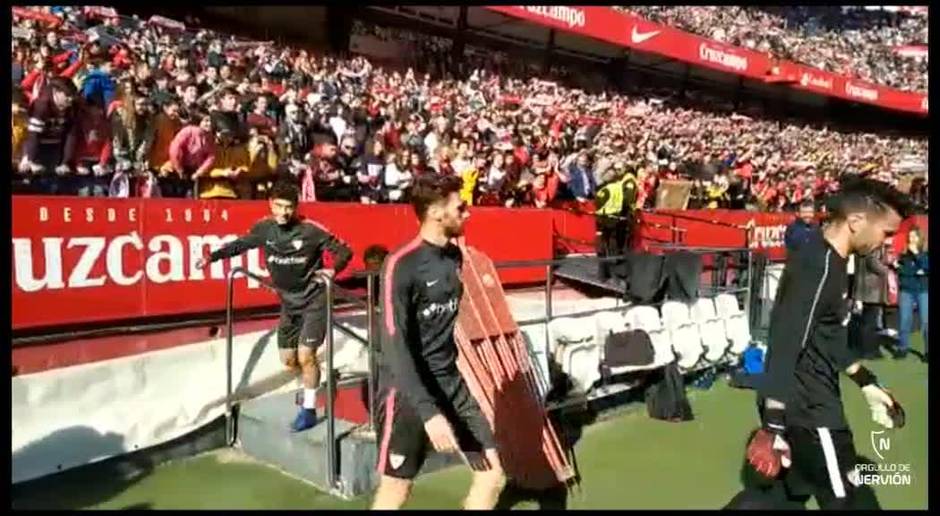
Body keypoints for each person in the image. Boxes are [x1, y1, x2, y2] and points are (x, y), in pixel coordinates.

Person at [739, 178, 911, 510]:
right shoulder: (820, 264)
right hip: (811, 412)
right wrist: (773, 425)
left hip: (806, 403)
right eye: (886, 233)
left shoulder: (828, 260)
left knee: (788, 496)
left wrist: (866, 382)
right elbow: (787, 337)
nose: (886, 243)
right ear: (856, 222)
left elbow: (827, 338)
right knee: (843, 501)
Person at [372, 174, 506, 510]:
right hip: (407, 393)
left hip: (451, 385)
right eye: (460, 206)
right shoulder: (401, 265)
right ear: (434, 212)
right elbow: (394, 344)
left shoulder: (454, 257)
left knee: (492, 475)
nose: (468, 212)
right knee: (396, 492)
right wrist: (428, 412)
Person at [195, 181, 353, 432]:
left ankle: (309, 409)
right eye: (279, 206)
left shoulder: (310, 231)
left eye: (289, 207)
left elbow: (345, 251)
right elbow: (240, 245)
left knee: (306, 356)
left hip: (315, 300)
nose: (283, 212)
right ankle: (314, 378)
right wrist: (211, 258)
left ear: (296, 207)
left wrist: (333, 269)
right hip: (288, 304)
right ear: (270, 204)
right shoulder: (264, 229)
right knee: (289, 360)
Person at [892, 226, 928, 362]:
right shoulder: (904, 255)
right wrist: (916, 271)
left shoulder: (925, 253)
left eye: (914, 237)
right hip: (906, 290)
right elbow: (902, 271)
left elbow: (926, 266)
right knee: (904, 320)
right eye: (910, 237)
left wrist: (917, 256)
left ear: (920, 238)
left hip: (923, 290)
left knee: (926, 322)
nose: (911, 239)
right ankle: (902, 349)